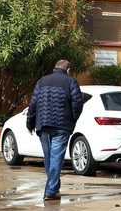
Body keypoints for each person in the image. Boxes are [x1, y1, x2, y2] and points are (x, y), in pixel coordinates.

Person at [26, 59, 84, 201]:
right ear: (68, 70)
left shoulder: (42, 81)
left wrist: (29, 123)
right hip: (62, 126)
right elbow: (77, 103)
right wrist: (73, 119)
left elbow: (33, 104)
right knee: (56, 158)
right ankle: (51, 191)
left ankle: (53, 188)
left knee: (49, 158)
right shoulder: (71, 82)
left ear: (54, 68)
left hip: (43, 125)